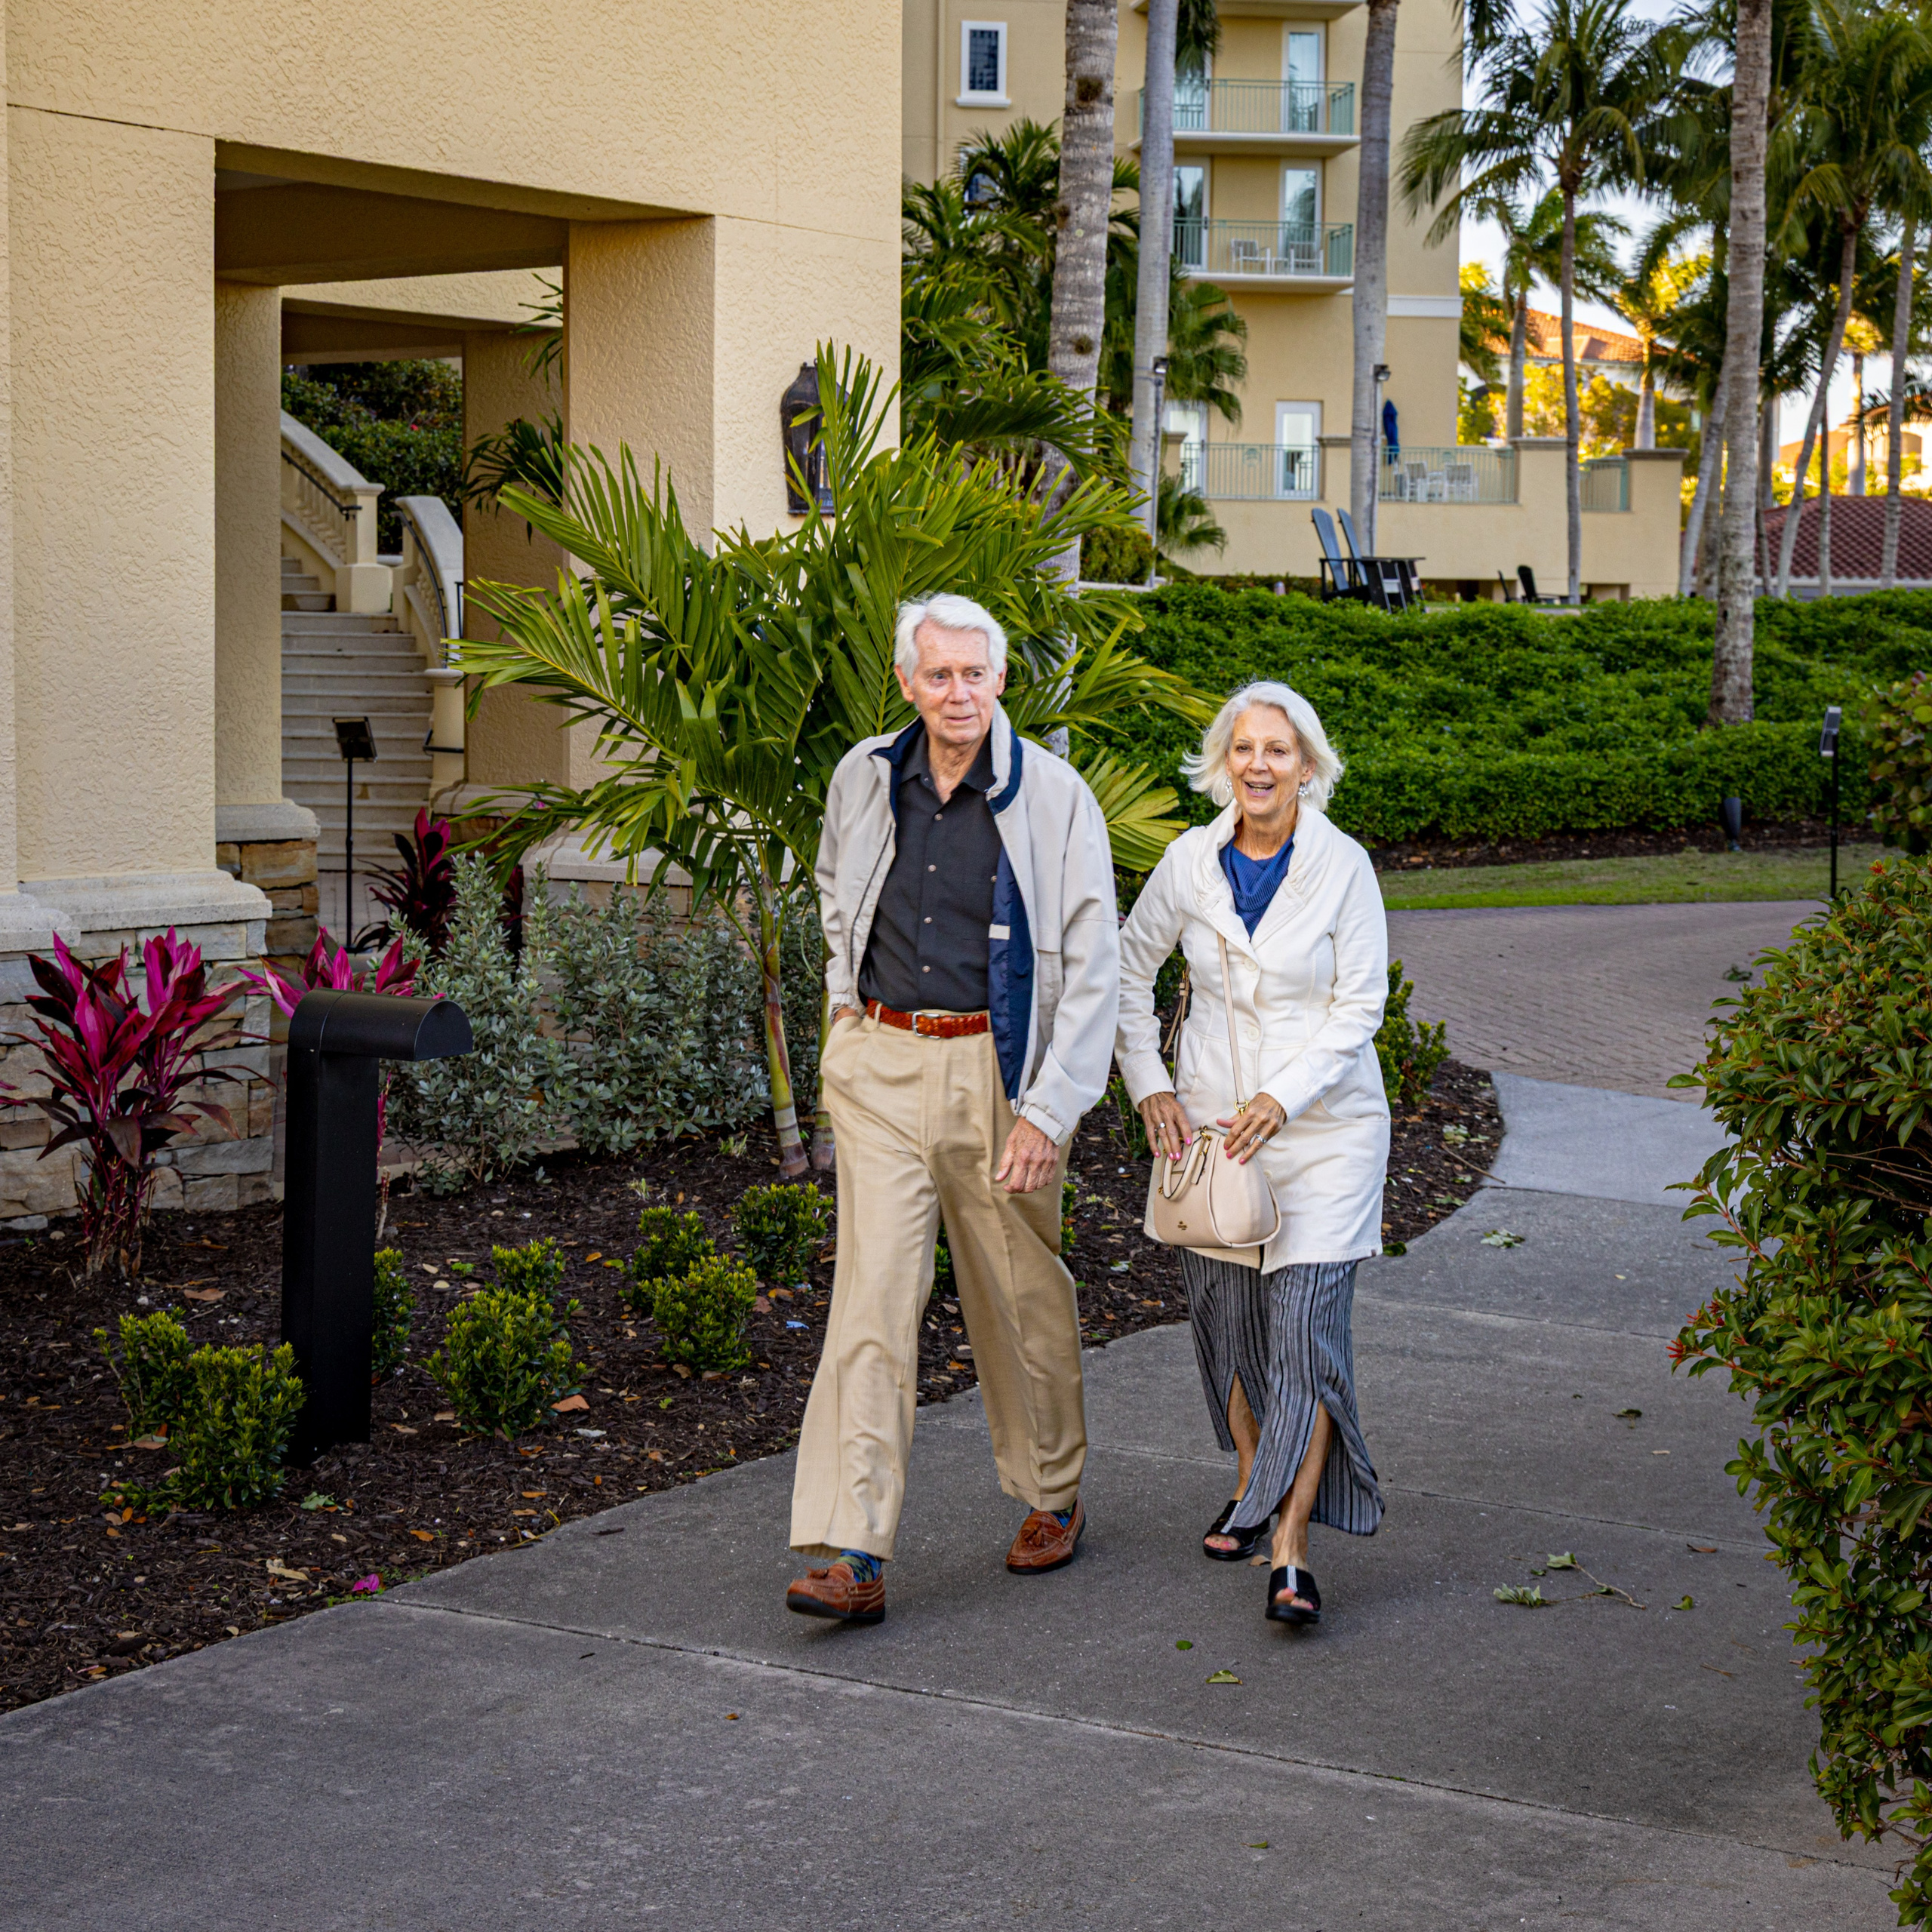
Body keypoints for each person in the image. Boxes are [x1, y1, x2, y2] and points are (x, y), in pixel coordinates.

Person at [785, 592, 1121, 1624]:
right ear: (907, 684)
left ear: (1002, 679)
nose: (959, 693)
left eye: (976, 673)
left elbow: (1095, 969)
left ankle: (1050, 1490)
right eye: (939, 675)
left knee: (1017, 1297)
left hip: (998, 1072)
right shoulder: (864, 775)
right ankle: (854, 1547)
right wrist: (845, 1024)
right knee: (871, 1305)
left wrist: (1049, 1111)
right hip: (882, 1064)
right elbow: (839, 886)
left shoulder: (1055, 798)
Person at [1114, 681, 1388, 1626]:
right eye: (1244, 748)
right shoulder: (1189, 863)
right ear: (1223, 763)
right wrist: (1149, 1081)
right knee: (1227, 1325)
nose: (1259, 764)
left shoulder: (1344, 866)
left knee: (1304, 1331)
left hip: (1326, 1133)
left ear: (1307, 766)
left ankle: (1291, 1546)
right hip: (1215, 1137)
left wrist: (1285, 1093)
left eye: (1278, 750)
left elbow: (1361, 1003)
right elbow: (1125, 970)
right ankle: (1249, 1471)